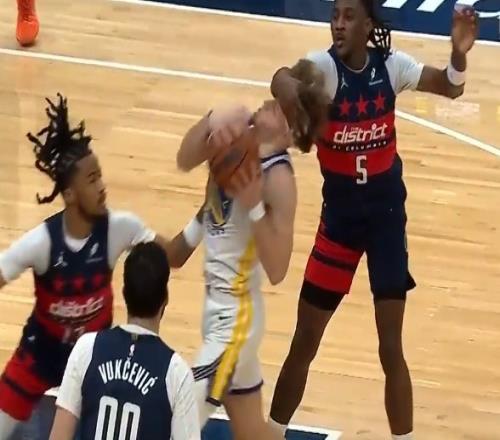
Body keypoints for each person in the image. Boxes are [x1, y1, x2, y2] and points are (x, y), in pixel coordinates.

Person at [267, 1, 479, 439]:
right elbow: (281, 77)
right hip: (339, 223)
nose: (338, 24)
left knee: (390, 348)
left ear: (368, 25)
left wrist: (458, 54)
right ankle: (270, 433)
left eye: (349, 16)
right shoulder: (322, 69)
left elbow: (450, 87)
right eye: (334, 16)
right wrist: (290, 93)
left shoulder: (391, 67)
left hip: (385, 223)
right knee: (304, 341)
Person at [0, 94, 203, 439]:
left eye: (100, 177)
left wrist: (208, 211)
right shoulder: (42, 242)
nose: (102, 187)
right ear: (69, 194)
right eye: (92, 180)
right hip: (38, 359)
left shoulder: (119, 228)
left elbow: (174, 256)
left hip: (94, 364)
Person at [176, 62, 330, 440]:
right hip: (215, 311)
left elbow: (277, 268)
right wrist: (210, 121)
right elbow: (184, 159)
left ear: (291, 129)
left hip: (236, 323)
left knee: (178, 419)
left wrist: (254, 206)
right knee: (251, 431)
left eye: (279, 106)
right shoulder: (238, 140)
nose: (268, 102)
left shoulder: (278, 178)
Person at [48, 241, 200, 440]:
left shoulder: (86, 348)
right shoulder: (176, 372)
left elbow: (58, 436)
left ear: (124, 293)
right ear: (165, 300)